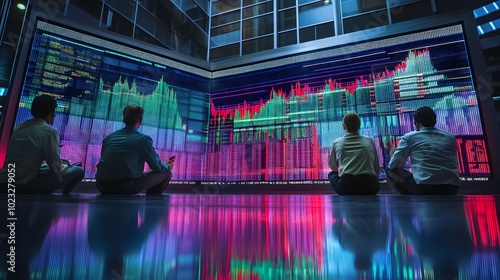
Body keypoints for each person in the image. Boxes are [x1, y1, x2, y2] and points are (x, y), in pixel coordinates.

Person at [0, 94, 84, 194]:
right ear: (51, 113)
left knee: (46, 167)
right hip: (25, 184)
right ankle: (64, 197)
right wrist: (66, 165)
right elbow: (55, 168)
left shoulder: (20, 126)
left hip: (5, 181)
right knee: (78, 171)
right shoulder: (49, 131)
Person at [95, 105, 173, 194]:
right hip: (125, 187)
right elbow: (157, 167)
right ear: (140, 120)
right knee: (166, 173)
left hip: (102, 186)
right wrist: (168, 166)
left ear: (124, 118)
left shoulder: (109, 137)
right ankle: (152, 206)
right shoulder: (143, 139)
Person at [386, 106, 460, 194]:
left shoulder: (409, 137)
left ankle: (410, 201)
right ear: (435, 121)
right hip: (452, 187)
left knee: (390, 170)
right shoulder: (450, 137)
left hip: (425, 187)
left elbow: (393, 165)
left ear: (416, 123)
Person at [328, 112, 380, 195]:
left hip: (347, 187)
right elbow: (376, 167)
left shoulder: (336, 142)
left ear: (343, 127)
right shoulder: (369, 141)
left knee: (331, 174)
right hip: (370, 186)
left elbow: (333, 167)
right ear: (359, 125)